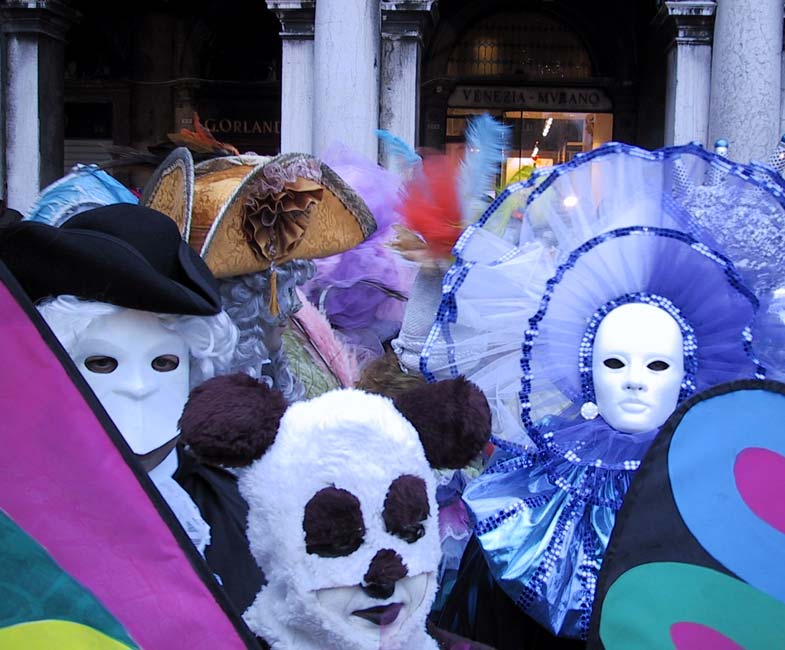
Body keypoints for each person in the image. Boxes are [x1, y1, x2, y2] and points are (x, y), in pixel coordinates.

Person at [422, 142, 785, 648]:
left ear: (689, 375)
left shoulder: (714, 477)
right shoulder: (532, 488)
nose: (635, 380)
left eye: (657, 365)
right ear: (587, 370)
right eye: (614, 362)